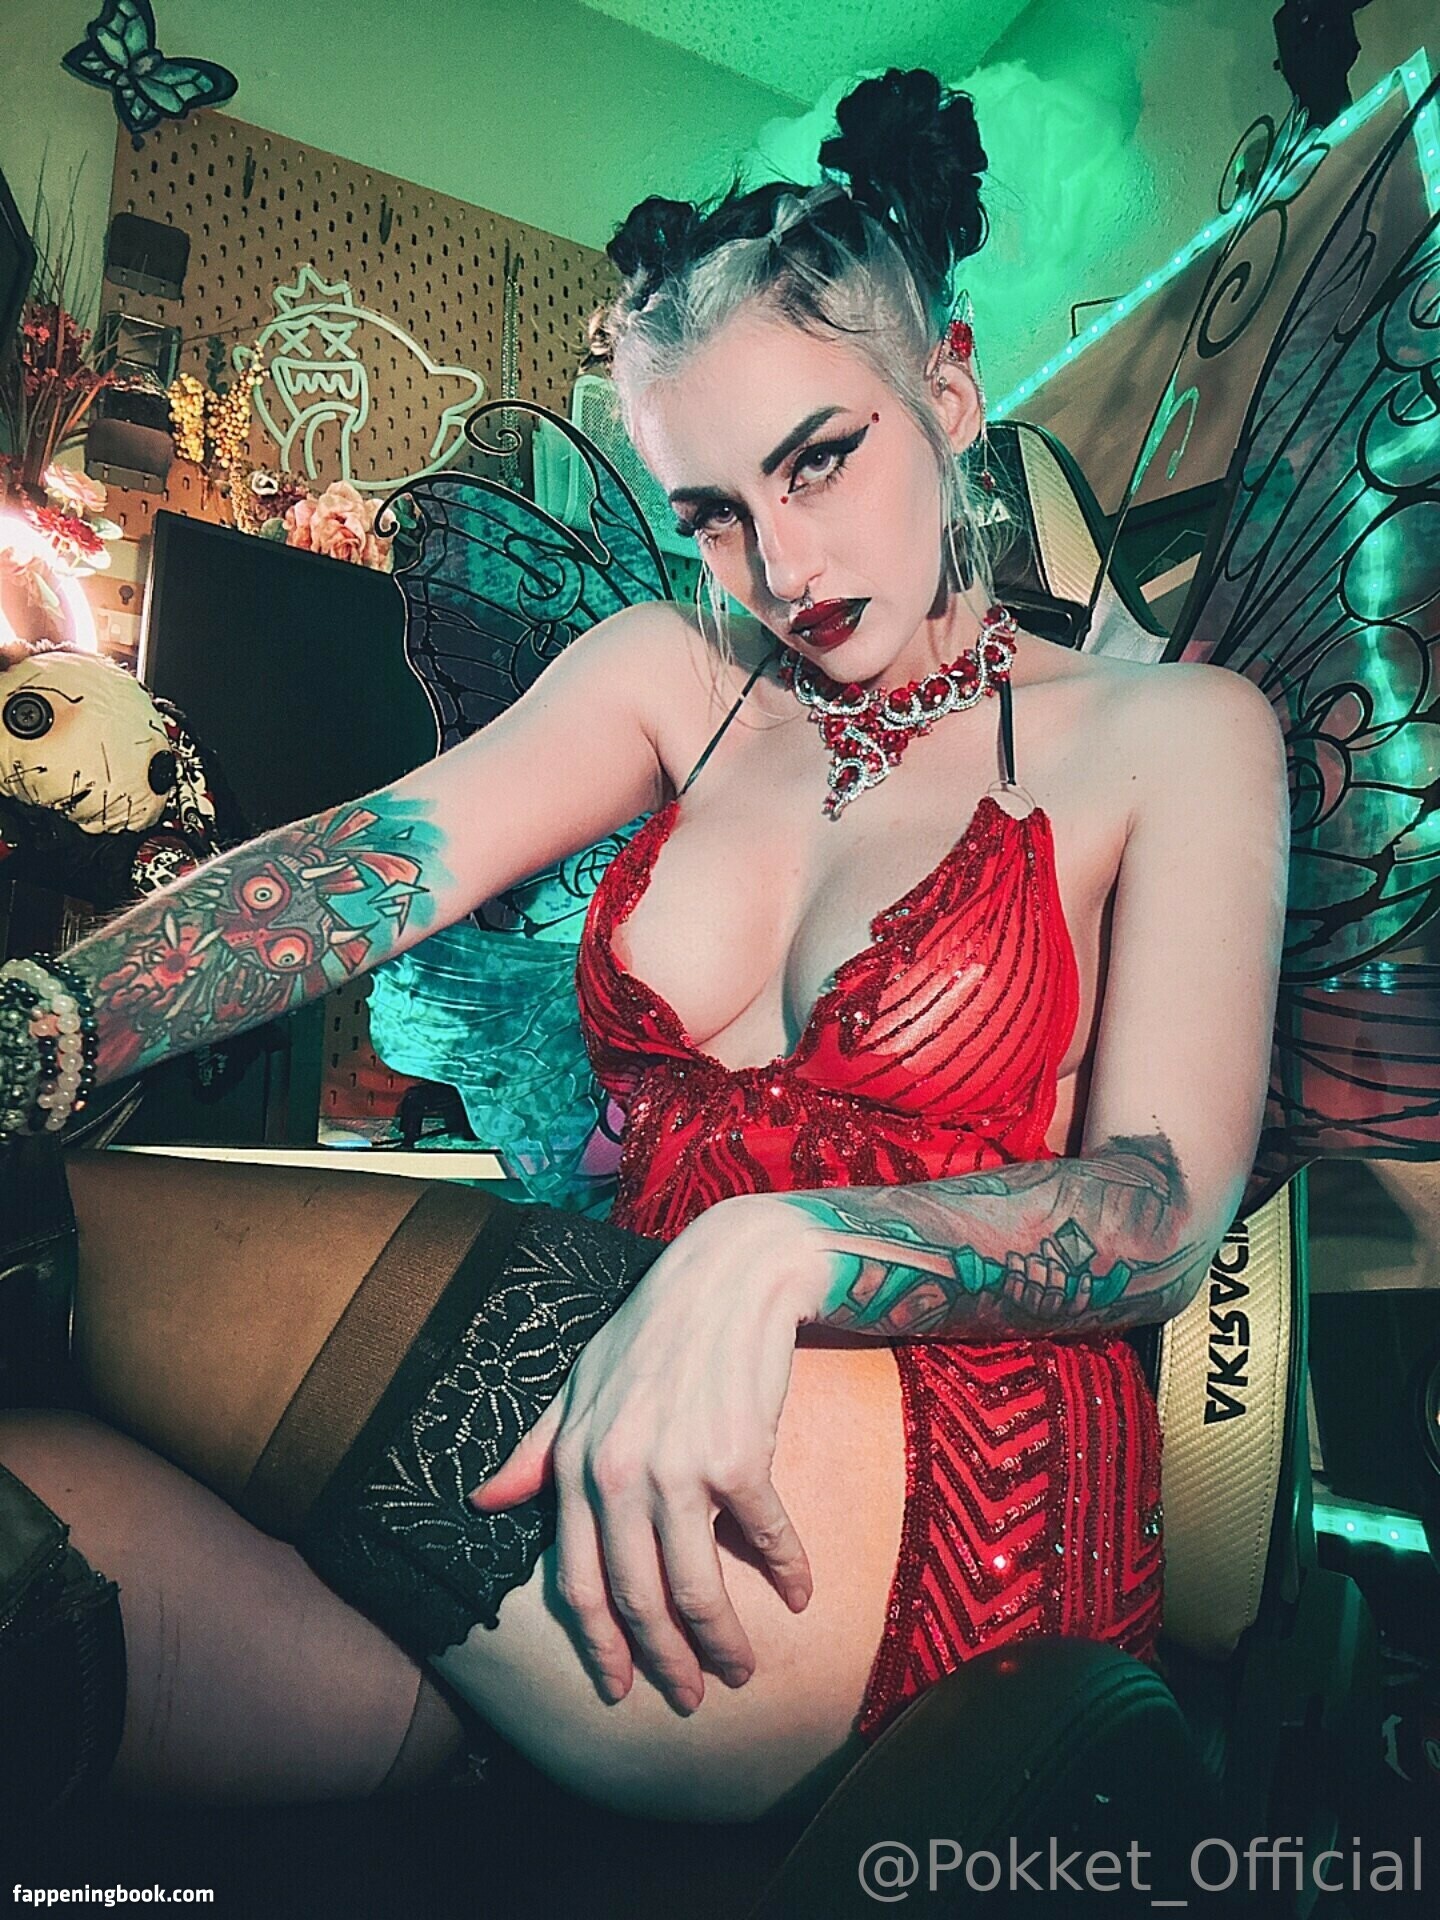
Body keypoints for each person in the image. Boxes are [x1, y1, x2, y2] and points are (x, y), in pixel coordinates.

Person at [0, 70, 1287, 1826]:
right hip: (586, 1446)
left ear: (949, 389)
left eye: (820, 460)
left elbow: (1159, 1206)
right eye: (713, 514)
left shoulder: (1178, 733)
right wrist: (46, 1022)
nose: (782, 561)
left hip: (947, 1494)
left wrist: (774, 1249)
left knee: (38, 1241)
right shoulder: (677, 678)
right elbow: (369, 865)